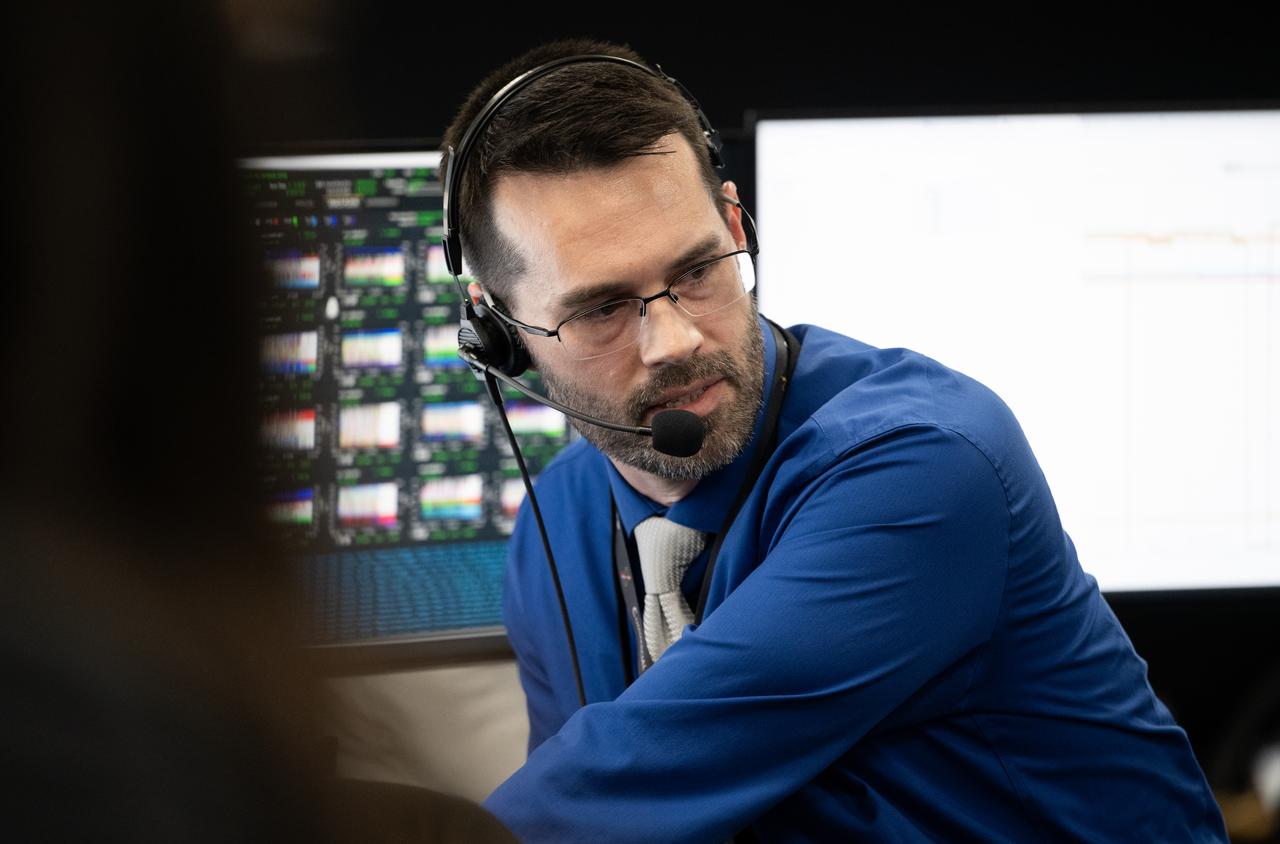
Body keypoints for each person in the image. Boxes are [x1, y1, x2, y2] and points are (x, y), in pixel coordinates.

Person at [442, 38, 1228, 842]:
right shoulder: (552, 532)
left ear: (736, 221)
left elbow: (611, 780)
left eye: (699, 269)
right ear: (497, 333)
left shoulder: (924, 466)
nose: (675, 338)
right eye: (603, 307)